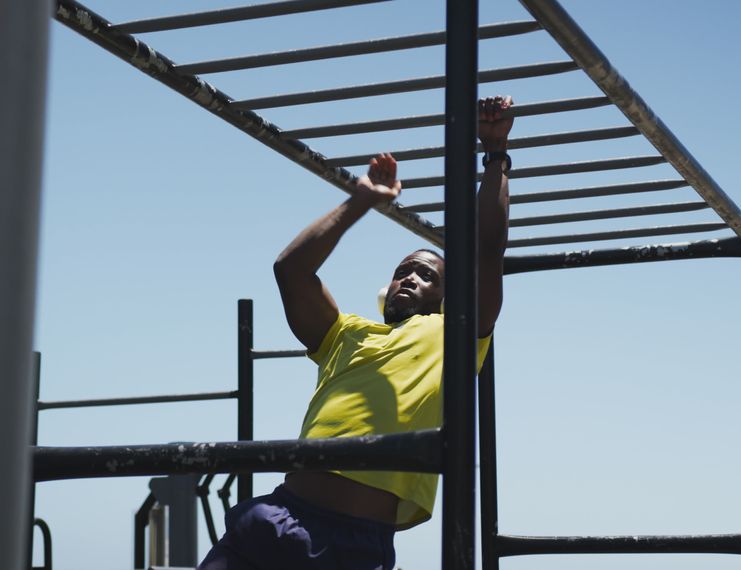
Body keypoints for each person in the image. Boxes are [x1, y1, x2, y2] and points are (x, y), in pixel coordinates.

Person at [198, 95, 514, 570]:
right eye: (403, 270)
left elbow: (488, 248)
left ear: (448, 298)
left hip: (350, 546)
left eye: (426, 274)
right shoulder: (346, 334)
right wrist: (361, 200)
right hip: (275, 517)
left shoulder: (456, 335)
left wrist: (493, 156)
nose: (410, 277)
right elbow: (291, 271)